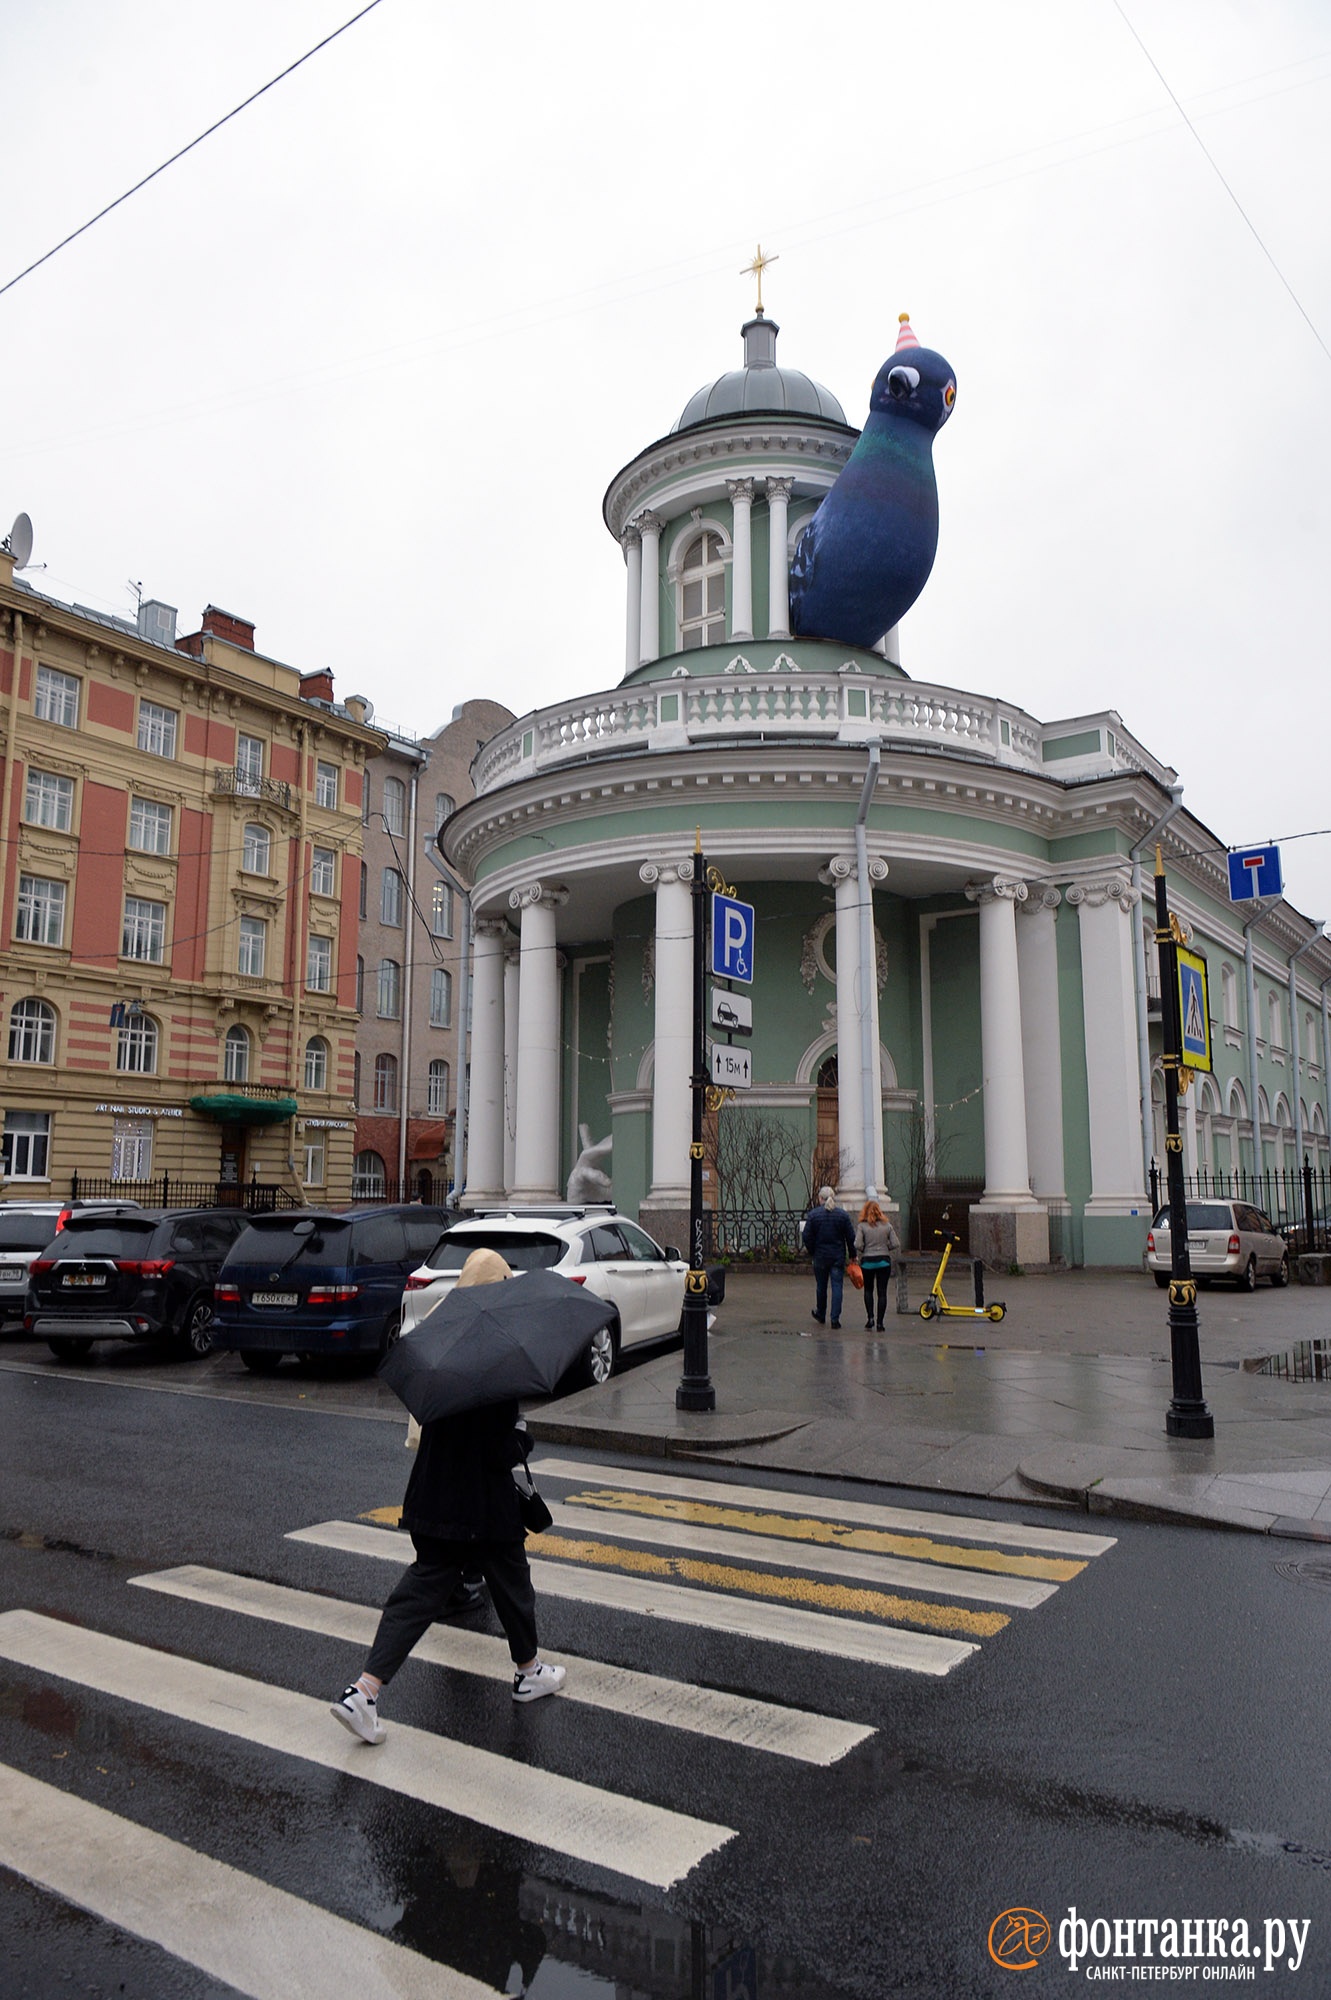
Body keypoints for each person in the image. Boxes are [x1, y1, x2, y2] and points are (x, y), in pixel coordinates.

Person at [331, 1248, 565, 1745]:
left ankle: (364, 1691)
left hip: (432, 1495)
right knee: (512, 1582)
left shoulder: (441, 1336)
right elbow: (498, 1447)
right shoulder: (497, 1350)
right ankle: (528, 1672)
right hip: (481, 1503)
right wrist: (522, 1438)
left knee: (421, 1593)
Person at [801, 1185, 855, 1329]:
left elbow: (806, 1235)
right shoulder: (842, 1215)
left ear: (820, 1199)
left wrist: (812, 1250)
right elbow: (850, 1237)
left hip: (820, 1256)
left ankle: (821, 1313)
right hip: (837, 1256)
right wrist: (853, 1255)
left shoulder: (814, 1215)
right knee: (837, 1286)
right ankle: (835, 1318)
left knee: (821, 1286)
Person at [855, 1191, 900, 1332]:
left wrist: (864, 1249)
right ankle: (880, 1323)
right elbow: (896, 1243)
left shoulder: (862, 1226)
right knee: (882, 1292)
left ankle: (870, 1319)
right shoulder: (887, 1226)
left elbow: (857, 1244)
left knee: (868, 1290)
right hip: (884, 1262)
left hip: (867, 1261)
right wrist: (886, 1248)